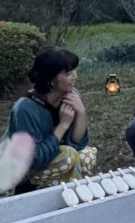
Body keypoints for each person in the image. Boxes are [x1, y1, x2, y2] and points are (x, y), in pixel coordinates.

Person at [7, 47, 96, 192]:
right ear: (50, 79)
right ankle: (33, 191)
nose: (75, 77)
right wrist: (63, 124)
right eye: (68, 73)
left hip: (58, 158)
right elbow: (35, 159)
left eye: (74, 71)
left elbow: (78, 144)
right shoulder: (25, 109)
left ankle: (67, 194)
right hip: (28, 168)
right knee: (69, 155)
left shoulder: (69, 96)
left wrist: (81, 112)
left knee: (86, 156)